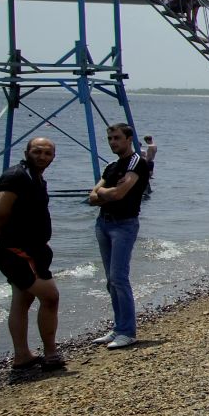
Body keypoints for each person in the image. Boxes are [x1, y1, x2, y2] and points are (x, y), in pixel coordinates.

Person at [0, 136, 62, 378]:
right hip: (16, 252)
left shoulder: (37, 178)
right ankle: (51, 353)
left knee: (22, 301)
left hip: (34, 251)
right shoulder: (16, 176)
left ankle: (22, 357)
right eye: (37, 152)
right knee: (50, 297)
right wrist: (3, 231)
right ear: (27, 152)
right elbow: (1, 210)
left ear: (53, 157)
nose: (42, 156)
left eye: (47, 153)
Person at [88, 122, 148, 350]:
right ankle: (118, 326)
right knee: (111, 281)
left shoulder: (136, 163)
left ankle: (127, 331)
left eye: (117, 138)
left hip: (124, 225)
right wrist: (106, 193)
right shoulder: (112, 166)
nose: (113, 142)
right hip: (103, 223)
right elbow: (93, 196)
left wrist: (106, 193)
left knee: (119, 278)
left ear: (128, 138)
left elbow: (120, 193)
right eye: (110, 138)